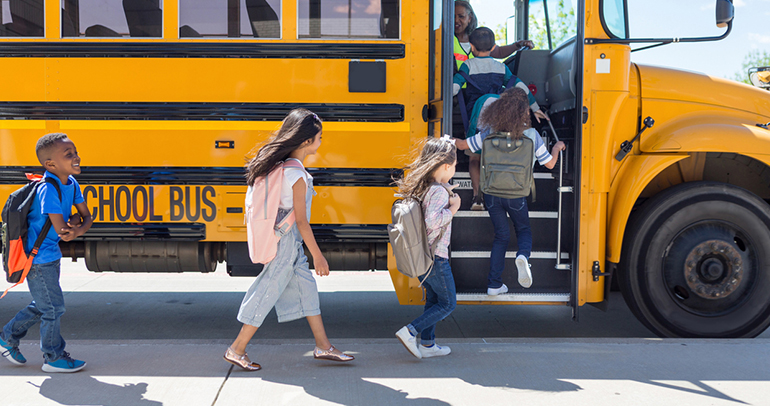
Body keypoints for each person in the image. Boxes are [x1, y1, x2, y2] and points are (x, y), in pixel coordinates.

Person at [225, 109, 353, 371]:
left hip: (288, 243)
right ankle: (237, 349)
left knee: (307, 290)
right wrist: (318, 255)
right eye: (319, 137)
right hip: (285, 245)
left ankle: (323, 346)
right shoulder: (296, 176)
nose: (321, 142)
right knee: (266, 291)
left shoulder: (283, 169)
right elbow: (302, 222)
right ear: (307, 142)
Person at [456, 88, 565, 294]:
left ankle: (493, 284)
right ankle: (523, 256)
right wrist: (557, 148)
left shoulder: (489, 130)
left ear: (500, 108)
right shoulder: (532, 135)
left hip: (491, 194)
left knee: (501, 236)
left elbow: (463, 145)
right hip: (517, 195)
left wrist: (445, 140)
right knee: (523, 230)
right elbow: (549, 164)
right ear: (525, 112)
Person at [0, 132, 93, 372]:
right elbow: (64, 228)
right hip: (38, 258)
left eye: (75, 152)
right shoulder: (48, 189)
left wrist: (77, 227)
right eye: (69, 154)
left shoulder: (71, 183)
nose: (76, 157)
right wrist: (74, 228)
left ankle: (7, 337)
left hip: (50, 255)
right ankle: (53, 357)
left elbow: (87, 217)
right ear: (50, 164)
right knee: (53, 307)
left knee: (44, 304)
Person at [453, 26, 547, 210]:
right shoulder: (501, 67)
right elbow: (520, 87)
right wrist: (535, 108)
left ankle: (476, 197)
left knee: (474, 158)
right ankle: (498, 194)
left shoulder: (468, 65)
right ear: (494, 47)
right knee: (495, 153)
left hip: (477, 118)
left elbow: (455, 87)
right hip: (498, 116)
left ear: (471, 46)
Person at [394, 137, 460, 359]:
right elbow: (433, 221)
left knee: (433, 300)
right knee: (449, 302)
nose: (455, 170)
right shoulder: (438, 192)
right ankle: (410, 331)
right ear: (445, 166)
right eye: (455, 166)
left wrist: (445, 189)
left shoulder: (426, 187)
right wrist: (454, 209)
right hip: (436, 257)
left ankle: (428, 345)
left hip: (422, 255)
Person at [454, 1, 533, 71]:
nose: (456, 20)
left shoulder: (478, 37)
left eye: (461, 16)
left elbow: (499, 52)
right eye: (453, 16)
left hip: (477, 86)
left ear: (469, 18)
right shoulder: (445, 40)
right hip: (454, 87)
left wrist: (517, 45)